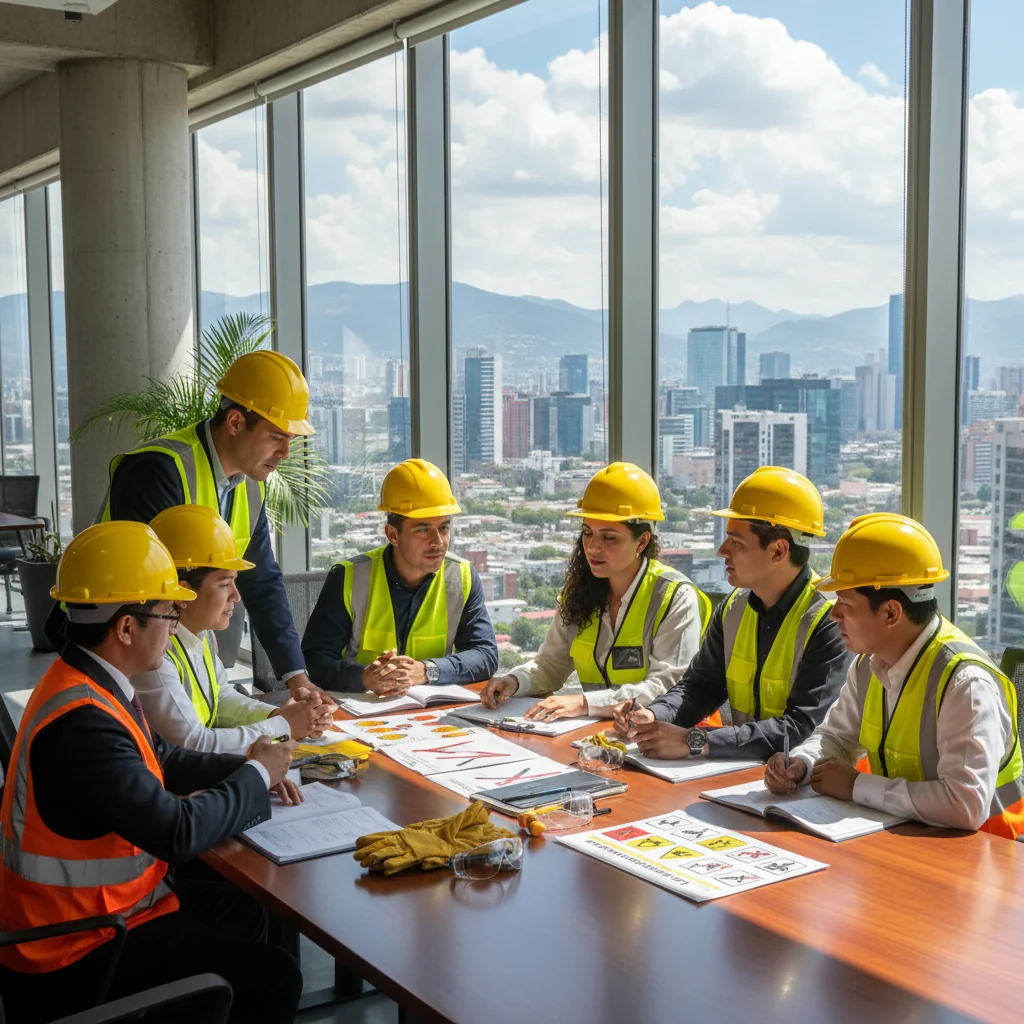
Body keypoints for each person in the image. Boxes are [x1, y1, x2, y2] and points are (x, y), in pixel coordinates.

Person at [0, 521, 303, 1023]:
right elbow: (176, 832)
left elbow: (161, 757)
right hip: (75, 950)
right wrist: (253, 781)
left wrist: (250, 766)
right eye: (167, 612)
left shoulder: (87, 680)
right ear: (124, 627)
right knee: (276, 975)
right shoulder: (83, 725)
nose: (174, 622)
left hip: (103, 915)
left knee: (247, 909)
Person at [83, 349, 331, 708]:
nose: (286, 453)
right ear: (234, 422)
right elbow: (147, 591)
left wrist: (297, 678)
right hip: (109, 643)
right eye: (277, 437)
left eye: (292, 440)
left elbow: (261, 581)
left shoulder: (250, 487)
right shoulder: (157, 469)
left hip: (171, 648)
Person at [764, 513, 1024, 839]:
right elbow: (837, 739)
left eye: (845, 603)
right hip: (908, 842)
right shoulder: (869, 665)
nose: (834, 614)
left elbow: (966, 804)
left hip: (987, 856)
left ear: (891, 612)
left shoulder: (965, 684)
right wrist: (801, 764)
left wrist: (858, 785)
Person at [617, 466, 847, 760]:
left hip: (808, 789)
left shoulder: (829, 619)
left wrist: (696, 740)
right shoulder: (734, 607)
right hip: (745, 777)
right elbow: (700, 687)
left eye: (736, 542)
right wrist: (653, 713)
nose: (722, 550)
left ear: (778, 551)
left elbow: (801, 727)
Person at [480, 463, 711, 722]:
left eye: (609, 537)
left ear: (642, 541)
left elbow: (665, 687)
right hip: (601, 733)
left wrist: (583, 703)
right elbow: (550, 665)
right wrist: (514, 681)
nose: (592, 547)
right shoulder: (579, 593)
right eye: (587, 533)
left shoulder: (674, 596)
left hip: (673, 738)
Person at [134, 503, 334, 753]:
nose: (236, 596)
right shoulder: (154, 657)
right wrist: (283, 726)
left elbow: (220, 697)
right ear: (183, 592)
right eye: (224, 584)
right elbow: (193, 743)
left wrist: (281, 715)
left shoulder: (199, 635)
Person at [303, 458, 498, 694]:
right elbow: (315, 659)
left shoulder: (462, 577)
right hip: (361, 709)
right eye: (423, 529)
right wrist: (364, 678)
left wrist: (426, 671)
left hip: (428, 715)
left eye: (444, 528)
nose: (438, 542)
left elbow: (485, 655)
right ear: (392, 534)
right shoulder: (348, 578)